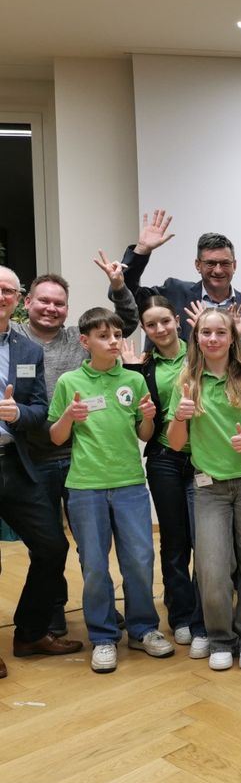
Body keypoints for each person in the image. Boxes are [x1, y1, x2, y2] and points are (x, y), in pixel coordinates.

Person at [16, 255, 139, 636]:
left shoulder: (76, 338)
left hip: (79, 456)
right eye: (44, 301)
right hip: (33, 458)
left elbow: (125, 324)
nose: (52, 308)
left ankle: (100, 607)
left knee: (91, 544)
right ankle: (52, 609)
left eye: (59, 303)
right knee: (48, 543)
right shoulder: (15, 341)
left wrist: (120, 282)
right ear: (27, 303)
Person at [48, 307, 173, 674]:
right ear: (85, 342)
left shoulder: (134, 381)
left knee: (139, 560)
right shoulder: (70, 382)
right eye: (104, 336)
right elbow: (56, 437)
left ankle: (143, 629)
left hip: (130, 484)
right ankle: (103, 637)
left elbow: (144, 435)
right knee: (96, 567)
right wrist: (69, 417)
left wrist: (149, 416)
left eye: (117, 335)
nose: (114, 342)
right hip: (85, 487)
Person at [167, 309, 241, 671]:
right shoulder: (186, 382)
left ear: (232, 338)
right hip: (208, 487)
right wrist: (180, 415)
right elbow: (175, 442)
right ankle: (220, 639)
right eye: (206, 333)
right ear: (197, 338)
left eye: (220, 333)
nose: (212, 339)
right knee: (212, 568)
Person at [0, 267, 83, 677]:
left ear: (17, 297)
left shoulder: (25, 349)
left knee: (52, 547)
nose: (3, 296)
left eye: (7, 290)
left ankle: (30, 632)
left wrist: (18, 414)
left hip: (15, 462)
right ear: (29, 303)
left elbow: (37, 410)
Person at [121, 296, 207, 659]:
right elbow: (143, 426)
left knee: (206, 542)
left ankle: (205, 617)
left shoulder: (200, 352)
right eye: (151, 325)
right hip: (163, 459)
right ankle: (182, 615)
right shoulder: (142, 366)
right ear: (145, 329)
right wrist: (133, 372)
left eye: (165, 321)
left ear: (177, 321)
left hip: (203, 459)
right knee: (174, 541)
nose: (159, 330)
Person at [122, 209, 241, 342]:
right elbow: (126, 292)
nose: (218, 270)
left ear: (234, 266)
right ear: (198, 265)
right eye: (210, 263)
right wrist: (141, 251)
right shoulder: (173, 292)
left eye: (225, 263)